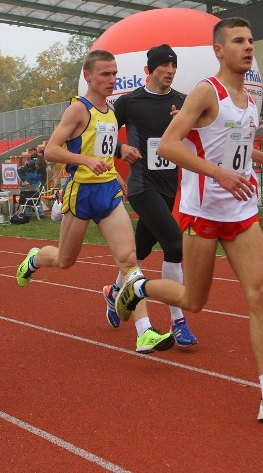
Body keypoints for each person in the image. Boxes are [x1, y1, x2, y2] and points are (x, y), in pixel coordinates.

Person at [113, 18, 263, 421]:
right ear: (219, 50)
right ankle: (139, 285)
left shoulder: (250, 100)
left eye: (251, 40)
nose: (248, 46)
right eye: (239, 41)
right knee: (194, 300)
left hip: (241, 211)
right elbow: (169, 145)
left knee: (262, 295)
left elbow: (233, 145)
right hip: (203, 212)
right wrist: (216, 173)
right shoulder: (206, 91)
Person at [15, 50, 175, 354]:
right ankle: (35, 258)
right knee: (65, 259)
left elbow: (104, 146)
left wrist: (117, 173)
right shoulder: (78, 110)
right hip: (82, 194)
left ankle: (144, 331)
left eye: (114, 73)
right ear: (88, 76)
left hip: (108, 193)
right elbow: (51, 150)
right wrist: (86, 160)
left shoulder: (111, 111)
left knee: (129, 260)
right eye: (105, 74)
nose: (111, 79)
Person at [102, 43, 198, 349]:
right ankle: (178, 321)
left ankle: (115, 291)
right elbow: (103, 135)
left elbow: (197, 137)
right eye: (163, 66)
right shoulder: (130, 102)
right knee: (174, 243)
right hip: (142, 185)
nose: (170, 71)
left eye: (174, 67)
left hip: (169, 184)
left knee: (140, 250)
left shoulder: (182, 102)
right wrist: (120, 148)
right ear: (149, 70)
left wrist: (185, 121)